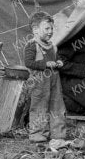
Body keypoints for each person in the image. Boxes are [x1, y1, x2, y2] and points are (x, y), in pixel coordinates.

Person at [18, 13, 68, 142]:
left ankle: (58, 133)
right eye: (47, 28)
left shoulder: (53, 46)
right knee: (39, 107)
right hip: (39, 82)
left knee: (57, 105)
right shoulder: (32, 45)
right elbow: (29, 63)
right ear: (35, 30)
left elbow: (57, 58)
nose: (50, 31)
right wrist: (45, 65)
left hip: (54, 81)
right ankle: (38, 134)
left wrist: (60, 62)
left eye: (52, 28)